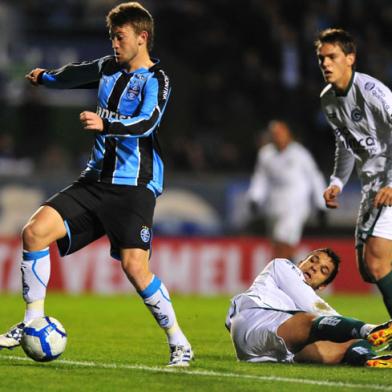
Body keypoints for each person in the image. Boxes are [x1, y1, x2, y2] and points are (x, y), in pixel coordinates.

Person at [0, 2, 193, 367]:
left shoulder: (157, 80)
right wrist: (46, 78)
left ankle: (178, 341)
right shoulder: (106, 68)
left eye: (119, 37)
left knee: (135, 267)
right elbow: (74, 74)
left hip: (135, 186)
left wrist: (107, 125)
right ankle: (30, 322)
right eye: (111, 37)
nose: (114, 44)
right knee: (34, 232)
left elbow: (148, 122)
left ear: (142, 37)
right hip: (94, 180)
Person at [315, 28, 392, 317]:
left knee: (377, 261)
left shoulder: (373, 93)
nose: (325, 64)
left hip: (390, 183)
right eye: (321, 58)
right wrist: (337, 180)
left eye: (332, 57)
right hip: (371, 186)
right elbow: (345, 144)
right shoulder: (328, 100)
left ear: (350, 58)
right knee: (367, 270)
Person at [225, 248, 392, 367]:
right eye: (313, 260)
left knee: (340, 345)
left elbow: (325, 317)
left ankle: (367, 359)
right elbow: (315, 307)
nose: (314, 267)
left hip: (267, 351)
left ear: (322, 286)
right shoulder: (281, 266)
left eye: (323, 270)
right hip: (256, 319)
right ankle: (370, 331)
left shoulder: (307, 301)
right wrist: (363, 329)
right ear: (300, 262)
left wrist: (354, 338)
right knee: (310, 321)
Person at [246, 120, 326, 260]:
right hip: (274, 205)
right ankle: (290, 272)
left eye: (280, 133)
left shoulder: (300, 154)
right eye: (274, 134)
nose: (278, 137)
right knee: (280, 244)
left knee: (282, 241)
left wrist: (321, 204)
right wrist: (255, 198)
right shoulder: (266, 154)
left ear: (288, 134)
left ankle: (279, 276)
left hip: (295, 205)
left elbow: (314, 177)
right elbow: (261, 178)